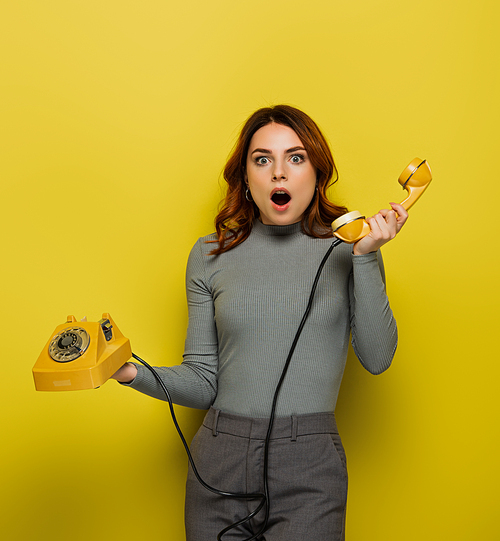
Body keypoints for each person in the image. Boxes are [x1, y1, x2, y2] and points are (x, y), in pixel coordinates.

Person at [111, 104, 407, 541]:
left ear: (316, 174)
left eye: (296, 157)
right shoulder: (209, 255)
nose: (279, 174)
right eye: (262, 159)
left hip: (309, 463)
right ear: (246, 178)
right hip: (219, 459)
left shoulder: (349, 249)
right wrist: (128, 371)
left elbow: (378, 358)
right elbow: (203, 379)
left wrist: (365, 256)